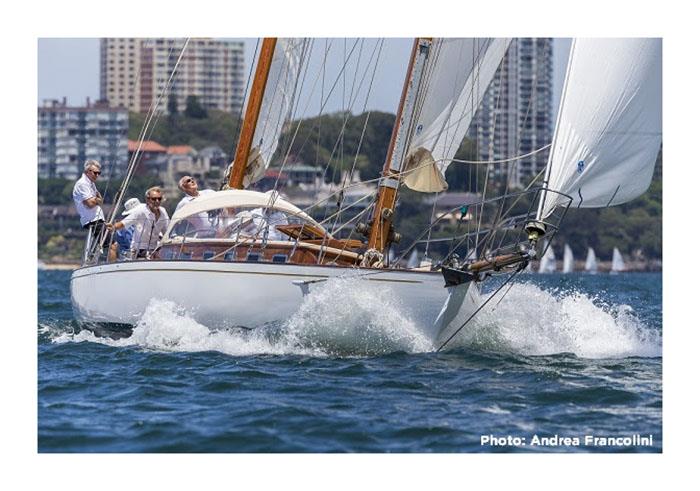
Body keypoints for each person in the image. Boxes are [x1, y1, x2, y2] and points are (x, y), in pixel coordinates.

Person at [109, 187, 169, 259]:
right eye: (153, 199)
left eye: (159, 199)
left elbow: (167, 231)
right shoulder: (140, 211)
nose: (157, 201)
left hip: (155, 248)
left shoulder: (163, 211)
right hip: (140, 249)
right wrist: (113, 227)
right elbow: (124, 223)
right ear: (147, 200)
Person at [72, 160, 106, 250]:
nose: (97, 175)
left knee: (107, 244)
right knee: (112, 245)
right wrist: (96, 200)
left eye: (99, 173)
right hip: (92, 220)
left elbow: (101, 200)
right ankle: (113, 264)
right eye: (95, 173)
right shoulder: (82, 184)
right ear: (87, 172)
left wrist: (96, 200)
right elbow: (90, 204)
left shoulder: (91, 184)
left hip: (97, 218)